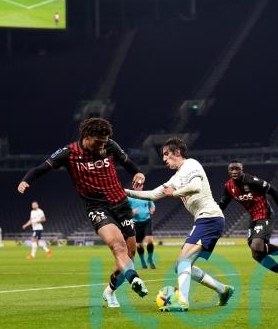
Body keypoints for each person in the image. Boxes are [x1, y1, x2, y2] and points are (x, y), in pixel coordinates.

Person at [18, 118, 148, 308]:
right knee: (117, 246)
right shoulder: (69, 152)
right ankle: (134, 278)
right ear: (87, 137)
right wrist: (26, 180)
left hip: (120, 204)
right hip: (97, 207)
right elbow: (40, 168)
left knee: (131, 253)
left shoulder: (110, 145)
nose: (102, 146)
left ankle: (110, 291)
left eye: (104, 142)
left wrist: (138, 173)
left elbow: (128, 163)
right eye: (98, 142)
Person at [125, 138, 234, 311]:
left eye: (166, 154)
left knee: (184, 261)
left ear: (177, 152)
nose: (164, 159)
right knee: (181, 265)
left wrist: (174, 193)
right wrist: (123, 192)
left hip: (210, 218)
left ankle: (182, 301)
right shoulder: (175, 178)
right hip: (203, 220)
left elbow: (196, 186)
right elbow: (152, 195)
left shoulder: (191, 164)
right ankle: (223, 290)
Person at [218, 161, 278, 289]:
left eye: (237, 169)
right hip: (253, 218)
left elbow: (273, 191)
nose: (234, 171)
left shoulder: (251, 181)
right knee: (257, 254)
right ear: (228, 171)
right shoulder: (228, 187)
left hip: (265, 214)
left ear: (242, 170)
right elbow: (222, 204)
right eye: (231, 169)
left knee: (257, 246)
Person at [127, 197, 156, 269]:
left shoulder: (146, 196)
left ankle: (150, 258)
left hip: (147, 220)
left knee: (150, 240)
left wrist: (152, 209)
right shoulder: (129, 198)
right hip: (136, 222)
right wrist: (131, 212)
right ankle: (142, 260)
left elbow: (152, 206)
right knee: (139, 244)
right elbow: (124, 209)